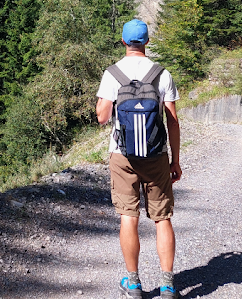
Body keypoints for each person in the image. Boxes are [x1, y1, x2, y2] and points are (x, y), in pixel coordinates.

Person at [96, 19, 181, 299]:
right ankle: (168, 284)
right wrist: (175, 160)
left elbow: (102, 117)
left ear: (123, 42)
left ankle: (133, 284)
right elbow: (172, 121)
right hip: (157, 155)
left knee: (128, 217)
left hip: (122, 156)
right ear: (147, 42)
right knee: (162, 218)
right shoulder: (162, 74)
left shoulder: (112, 73)